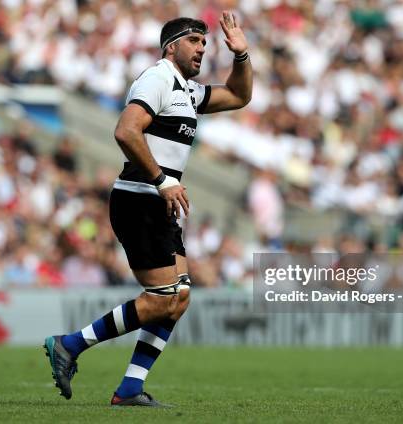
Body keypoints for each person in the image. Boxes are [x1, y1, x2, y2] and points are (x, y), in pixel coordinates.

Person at [43, 11, 252, 407]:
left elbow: (240, 96)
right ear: (171, 46)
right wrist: (161, 179)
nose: (202, 49)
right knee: (161, 298)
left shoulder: (187, 92)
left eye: (205, 44)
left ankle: (129, 389)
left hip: (160, 200)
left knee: (179, 298)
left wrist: (241, 56)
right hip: (140, 197)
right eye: (195, 42)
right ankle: (69, 345)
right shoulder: (158, 79)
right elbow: (125, 130)